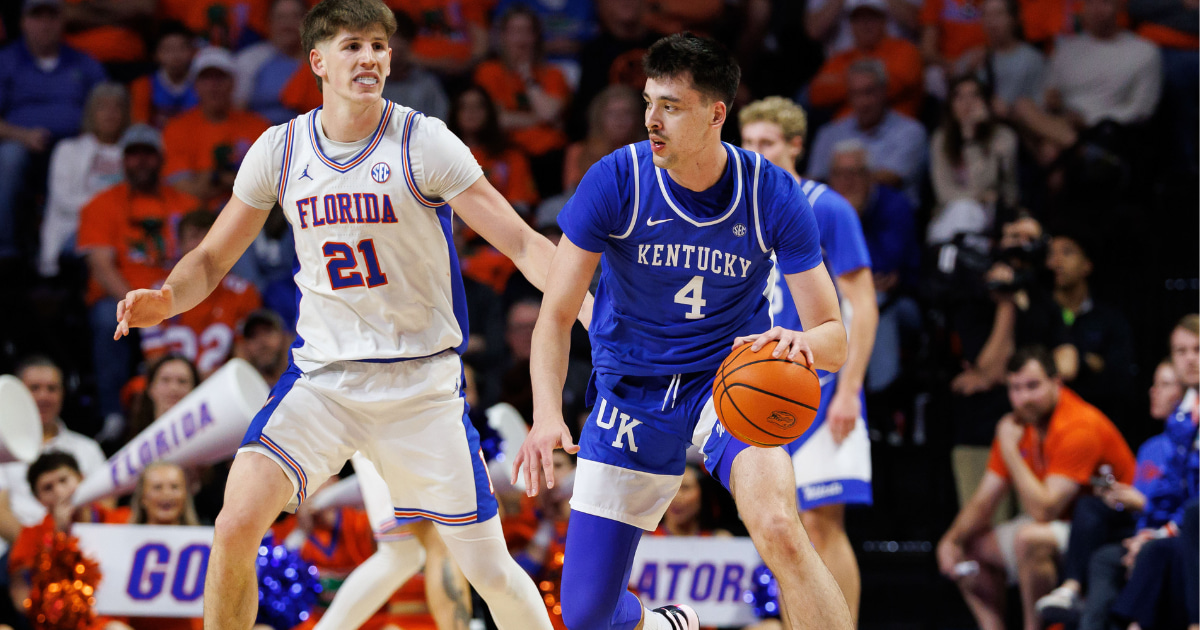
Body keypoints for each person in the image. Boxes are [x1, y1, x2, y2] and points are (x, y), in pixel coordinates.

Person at [114, 1, 588, 627]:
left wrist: (590, 308)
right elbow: (210, 258)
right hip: (324, 382)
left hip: (419, 388)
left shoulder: (423, 141)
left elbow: (524, 244)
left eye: (379, 46)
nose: (369, 58)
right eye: (353, 46)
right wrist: (169, 296)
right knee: (234, 523)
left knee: (489, 570)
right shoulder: (281, 150)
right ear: (317, 60)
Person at [515, 33, 854, 630]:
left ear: (716, 114)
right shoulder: (617, 179)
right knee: (587, 614)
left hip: (726, 383)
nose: (652, 119)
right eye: (649, 102)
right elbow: (556, 316)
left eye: (670, 106)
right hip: (630, 392)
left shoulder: (770, 193)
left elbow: (834, 336)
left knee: (780, 527)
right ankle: (666, 624)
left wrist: (802, 343)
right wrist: (546, 415)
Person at [739, 96, 878, 623]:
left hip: (822, 384)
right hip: (761, 382)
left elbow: (862, 306)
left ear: (795, 145)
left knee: (822, 523)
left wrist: (850, 390)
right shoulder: (739, 208)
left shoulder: (827, 206)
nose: (756, 151)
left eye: (767, 142)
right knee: (780, 525)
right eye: (748, 142)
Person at [937, 346, 1136, 630]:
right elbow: (984, 499)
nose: (1023, 398)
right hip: (1061, 525)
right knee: (968, 549)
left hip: (1103, 529)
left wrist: (1009, 450)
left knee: (1029, 538)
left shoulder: (1078, 424)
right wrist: (952, 539)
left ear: (1056, 382)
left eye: (1032, 386)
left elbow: (1045, 510)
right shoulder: (1020, 425)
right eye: (1015, 388)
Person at [1034, 357, 1188, 626]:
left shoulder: (1187, 448)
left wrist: (1144, 514)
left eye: (1164, 385)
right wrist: (1121, 498)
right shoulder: (1149, 448)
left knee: (1115, 557)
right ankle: (1073, 592)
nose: (1153, 391)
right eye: (1154, 384)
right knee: (1092, 514)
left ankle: (1085, 606)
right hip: (1141, 529)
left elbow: (1187, 506)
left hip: (1171, 534)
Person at [75, 124, 199, 434]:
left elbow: (201, 259)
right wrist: (139, 307)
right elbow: (101, 268)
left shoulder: (187, 204)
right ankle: (113, 415)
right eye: (133, 154)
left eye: (148, 153)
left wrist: (171, 302)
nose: (141, 161)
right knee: (107, 317)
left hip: (177, 298)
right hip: (123, 300)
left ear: (161, 158)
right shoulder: (100, 205)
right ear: (123, 160)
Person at [313, 453, 472, 630]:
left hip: (397, 446)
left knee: (403, 555)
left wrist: (321, 501)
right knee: (429, 544)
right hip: (393, 444)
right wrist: (319, 502)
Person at [0, 0, 107, 261]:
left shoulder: (84, 62)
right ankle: (7, 250)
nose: (45, 24)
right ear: (23, 22)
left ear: (62, 22)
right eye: (37, 16)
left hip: (75, 145)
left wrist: (86, 137)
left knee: (98, 156)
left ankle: (77, 250)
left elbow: (106, 103)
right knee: (9, 158)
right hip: (21, 143)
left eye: (52, 16)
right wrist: (22, 135)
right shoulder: (6, 61)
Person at [1010, 0, 1161, 166]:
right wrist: (1051, 102)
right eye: (1090, 3)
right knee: (1022, 106)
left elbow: (1142, 110)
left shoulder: (1143, 51)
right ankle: (1080, 149)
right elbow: (1047, 93)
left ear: (1118, 6)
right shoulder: (1066, 49)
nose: (1096, 9)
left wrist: (1089, 119)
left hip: (1104, 128)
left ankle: (1072, 157)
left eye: (1103, 3)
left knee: (1050, 149)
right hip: (1063, 121)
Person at [0, 357, 107, 553]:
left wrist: (69, 548)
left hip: (83, 550)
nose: (44, 396)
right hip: (17, 552)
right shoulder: (2, 450)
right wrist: (44, 552)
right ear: (18, 394)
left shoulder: (88, 448)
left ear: (63, 394)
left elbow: (106, 504)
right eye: (34, 388)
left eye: (52, 389)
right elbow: (1, 513)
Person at [7, 452, 126, 626]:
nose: (59, 492)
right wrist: (59, 539)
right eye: (48, 488)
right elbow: (22, 602)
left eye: (64, 480)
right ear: (38, 499)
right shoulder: (29, 538)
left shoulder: (120, 521)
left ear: (82, 479)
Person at [141, 210, 262, 376]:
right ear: (180, 245)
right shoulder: (155, 296)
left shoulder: (243, 293)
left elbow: (243, 360)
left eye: (209, 236)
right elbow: (155, 362)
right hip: (174, 384)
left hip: (223, 385)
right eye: (194, 236)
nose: (202, 245)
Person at [473, 5, 572, 198]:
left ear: (536, 37)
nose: (521, 39)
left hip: (548, 158)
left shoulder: (554, 74)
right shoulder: (488, 72)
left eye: (527, 32)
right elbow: (493, 120)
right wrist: (541, 120)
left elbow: (548, 113)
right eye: (515, 32)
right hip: (504, 152)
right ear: (502, 37)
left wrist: (527, 76)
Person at [38, 82, 130, 277]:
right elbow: (63, 200)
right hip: (77, 227)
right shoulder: (68, 149)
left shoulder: (136, 153)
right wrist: (107, 210)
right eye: (102, 107)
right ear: (91, 113)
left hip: (125, 228)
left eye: (117, 107)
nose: (110, 113)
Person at [162, 45, 271, 207]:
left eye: (220, 77)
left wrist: (211, 178)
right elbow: (184, 186)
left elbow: (266, 185)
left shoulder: (258, 126)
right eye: (206, 78)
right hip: (195, 213)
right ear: (195, 85)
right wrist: (227, 179)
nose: (213, 85)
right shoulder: (176, 128)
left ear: (233, 82)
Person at [1045, 230, 1135, 426]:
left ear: (1087, 265)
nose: (1056, 261)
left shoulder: (1110, 319)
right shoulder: (1039, 314)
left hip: (1096, 420)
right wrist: (1089, 362)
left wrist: (1076, 363)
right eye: (1051, 254)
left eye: (1067, 252)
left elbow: (1118, 380)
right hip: (1047, 422)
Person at [806, 59, 927, 204]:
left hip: (889, 211)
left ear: (885, 91)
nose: (863, 102)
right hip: (837, 209)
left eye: (869, 92)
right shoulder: (829, 133)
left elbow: (891, 179)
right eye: (855, 94)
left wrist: (840, 178)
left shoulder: (910, 132)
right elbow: (815, 181)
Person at [808, 0, 924, 119]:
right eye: (858, 19)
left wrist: (842, 80)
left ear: (884, 21)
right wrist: (875, 81)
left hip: (894, 125)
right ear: (851, 25)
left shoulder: (904, 50)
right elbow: (816, 93)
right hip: (846, 126)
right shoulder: (842, 57)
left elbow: (897, 84)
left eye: (872, 18)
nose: (865, 24)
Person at [929, 75, 1018, 230]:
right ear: (950, 104)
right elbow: (944, 193)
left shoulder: (1003, 137)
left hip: (994, 216)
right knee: (965, 209)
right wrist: (979, 196)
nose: (967, 103)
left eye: (974, 95)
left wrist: (972, 136)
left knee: (969, 210)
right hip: (951, 215)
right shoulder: (941, 139)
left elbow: (993, 184)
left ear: (986, 101)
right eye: (959, 97)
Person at [233, 0, 309, 125]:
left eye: (295, 16)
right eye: (281, 17)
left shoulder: (322, 60)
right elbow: (237, 112)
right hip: (259, 132)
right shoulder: (249, 60)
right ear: (269, 22)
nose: (287, 25)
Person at [563, 84, 644, 192]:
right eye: (612, 113)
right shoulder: (578, 152)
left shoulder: (649, 154)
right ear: (599, 117)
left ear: (637, 118)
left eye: (626, 113)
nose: (620, 119)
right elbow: (573, 191)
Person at [378, 10, 449, 122]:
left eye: (402, 38)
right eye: (390, 38)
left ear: (410, 44)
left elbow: (440, 125)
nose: (396, 44)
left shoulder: (427, 85)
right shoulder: (366, 83)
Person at [129, 21, 199, 129]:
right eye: (168, 50)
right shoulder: (144, 85)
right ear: (156, 55)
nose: (176, 56)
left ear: (192, 52)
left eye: (182, 48)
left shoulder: (202, 84)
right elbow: (139, 128)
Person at [125, 354, 201, 444]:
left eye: (182, 381)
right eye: (165, 380)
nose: (174, 388)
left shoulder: (207, 441)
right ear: (151, 388)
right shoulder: (134, 443)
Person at [232, 309, 293, 387]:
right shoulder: (242, 390)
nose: (261, 342)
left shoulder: (304, 378)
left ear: (284, 337)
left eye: (268, 331)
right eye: (253, 336)